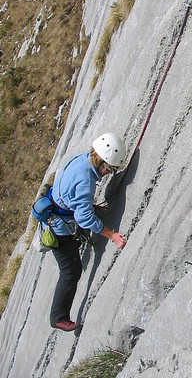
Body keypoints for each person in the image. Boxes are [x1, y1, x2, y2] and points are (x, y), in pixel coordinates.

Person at [48, 132, 128, 332]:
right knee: (70, 272)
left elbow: (70, 190)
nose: (108, 173)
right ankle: (58, 317)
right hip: (59, 230)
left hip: (57, 212)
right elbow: (83, 218)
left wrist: (88, 206)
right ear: (102, 162)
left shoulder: (82, 159)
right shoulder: (86, 180)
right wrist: (112, 235)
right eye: (109, 170)